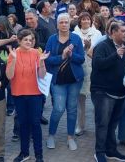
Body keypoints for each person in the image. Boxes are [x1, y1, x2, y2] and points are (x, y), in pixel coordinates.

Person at [91, 21, 125, 162]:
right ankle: (100, 152)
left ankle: (111, 150)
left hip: (120, 92)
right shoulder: (102, 46)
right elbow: (97, 64)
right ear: (113, 33)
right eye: (122, 31)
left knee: (113, 123)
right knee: (102, 124)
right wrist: (115, 55)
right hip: (103, 92)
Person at [43, 13, 85, 151]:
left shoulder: (76, 39)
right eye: (61, 22)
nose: (64, 24)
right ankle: (51, 135)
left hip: (74, 80)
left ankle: (70, 137)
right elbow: (48, 60)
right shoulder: (52, 39)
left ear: (69, 23)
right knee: (58, 108)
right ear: (57, 24)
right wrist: (62, 56)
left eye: (66, 22)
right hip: (58, 80)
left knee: (72, 109)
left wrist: (71, 55)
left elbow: (81, 59)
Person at [7, 28, 48, 162]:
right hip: (18, 94)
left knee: (35, 123)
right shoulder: (13, 54)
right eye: (26, 39)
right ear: (19, 41)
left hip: (35, 94)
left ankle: (39, 155)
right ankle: (24, 153)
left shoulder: (37, 53)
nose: (29, 42)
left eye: (31, 40)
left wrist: (41, 62)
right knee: (23, 124)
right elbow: (9, 76)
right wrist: (13, 59)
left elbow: (42, 76)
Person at [73, 12, 103, 136]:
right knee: (80, 100)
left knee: (97, 100)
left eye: (88, 19)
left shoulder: (97, 33)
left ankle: (99, 126)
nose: (86, 21)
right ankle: (80, 126)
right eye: (83, 19)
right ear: (80, 21)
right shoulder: (74, 34)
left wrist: (90, 46)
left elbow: (100, 49)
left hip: (94, 68)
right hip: (80, 69)